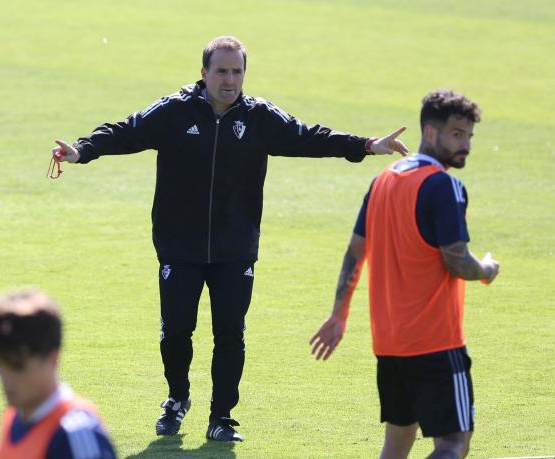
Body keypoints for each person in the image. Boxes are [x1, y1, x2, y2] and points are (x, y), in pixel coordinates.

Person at [53, 35, 408, 442]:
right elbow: (125, 132)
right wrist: (82, 150)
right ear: (203, 73)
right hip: (179, 245)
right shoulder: (173, 112)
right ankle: (177, 398)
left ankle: (221, 417)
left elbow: (309, 136)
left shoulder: (258, 118)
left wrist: (365, 145)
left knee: (230, 333)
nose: (229, 79)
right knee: (176, 332)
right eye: (221, 71)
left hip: (235, 248)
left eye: (236, 71)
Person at [309, 89, 500, 458]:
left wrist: (339, 314)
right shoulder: (444, 185)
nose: (466, 146)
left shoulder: (383, 180)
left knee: (396, 445)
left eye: (469, 136)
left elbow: (354, 252)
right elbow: (457, 261)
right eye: (457, 135)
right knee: (454, 443)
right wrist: (487, 269)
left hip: (390, 344)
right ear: (430, 133)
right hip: (436, 343)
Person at [0, 289, 117, 459]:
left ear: (52, 358)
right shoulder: (13, 418)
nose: (6, 378)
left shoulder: (73, 435)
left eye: (18, 366)